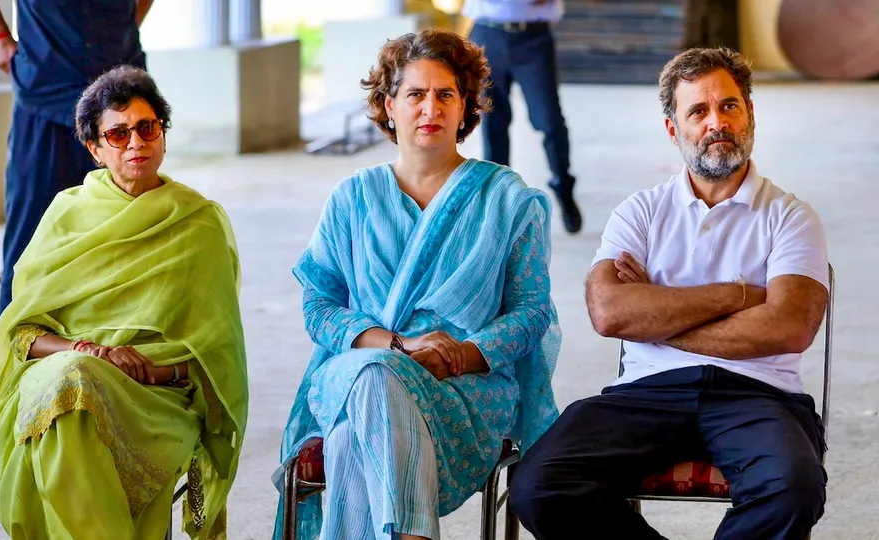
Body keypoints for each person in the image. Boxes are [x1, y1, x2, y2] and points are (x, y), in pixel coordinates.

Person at [509, 47, 829, 540]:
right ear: (673, 129)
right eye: (697, 111)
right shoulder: (640, 212)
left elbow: (790, 326)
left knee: (793, 487)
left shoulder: (790, 216)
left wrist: (657, 314)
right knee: (539, 483)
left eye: (728, 106)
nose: (715, 122)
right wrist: (741, 295)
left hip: (761, 397)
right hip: (646, 393)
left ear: (749, 114)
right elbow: (609, 313)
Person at [272, 28, 562, 540]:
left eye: (445, 94)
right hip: (363, 369)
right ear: (389, 105)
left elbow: (532, 312)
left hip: (464, 390)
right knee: (378, 376)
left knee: (346, 442)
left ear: (465, 105)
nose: (431, 108)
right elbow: (319, 305)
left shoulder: (505, 199)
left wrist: (460, 354)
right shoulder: (351, 199)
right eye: (416, 94)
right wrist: (400, 347)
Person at [0, 66, 248, 540]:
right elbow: (23, 332)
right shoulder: (67, 213)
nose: (135, 144)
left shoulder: (199, 224)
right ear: (95, 149)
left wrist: (146, 370)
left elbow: (217, 354)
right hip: (64, 374)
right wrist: (89, 353)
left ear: (163, 134)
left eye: (147, 128)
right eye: (118, 134)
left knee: (72, 407)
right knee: (70, 393)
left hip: (153, 395)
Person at [0, 0, 154, 315]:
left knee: (127, 232)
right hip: (45, 87)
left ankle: (121, 349)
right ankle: (13, 352)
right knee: (30, 236)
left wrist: (123, 23)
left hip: (118, 88)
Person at [464, 0, 582, 233]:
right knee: (493, 122)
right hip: (487, 34)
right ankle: (496, 201)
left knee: (548, 120)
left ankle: (563, 186)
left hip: (533, 37)